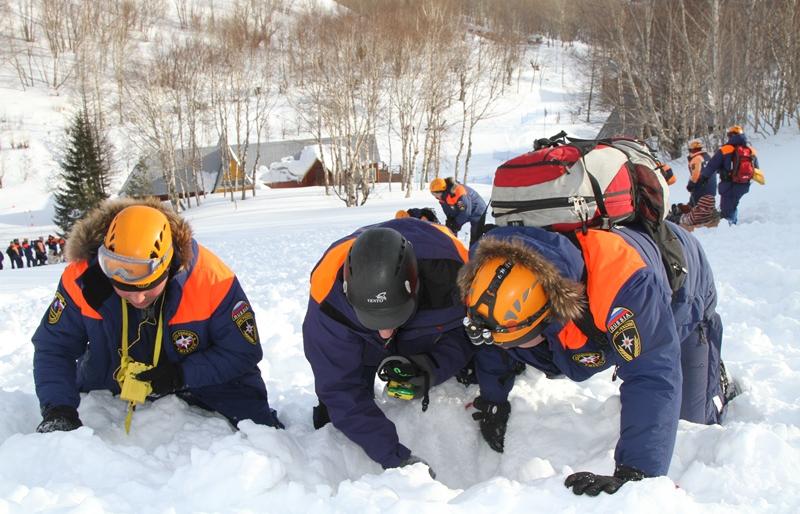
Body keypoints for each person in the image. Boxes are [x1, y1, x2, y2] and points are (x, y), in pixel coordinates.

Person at [458, 222, 735, 496]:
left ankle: (716, 383)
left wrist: (636, 473)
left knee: (691, 426)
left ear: (549, 314)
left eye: (516, 338)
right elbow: (493, 342)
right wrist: (494, 399)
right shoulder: (489, 284)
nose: (506, 346)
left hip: (682, 287)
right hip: (593, 305)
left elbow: (652, 375)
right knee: (551, 352)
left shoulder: (624, 285)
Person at [32, 199, 282, 433]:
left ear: (168, 267)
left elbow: (242, 352)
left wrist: (181, 375)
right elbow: (54, 346)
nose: (138, 298)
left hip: (208, 390)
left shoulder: (212, 279)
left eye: (148, 288)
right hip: (109, 394)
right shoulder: (81, 278)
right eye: (125, 289)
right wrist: (58, 408)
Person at [303, 217, 474, 474]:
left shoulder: (455, 273)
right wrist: (393, 457)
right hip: (355, 333)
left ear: (416, 287)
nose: (385, 333)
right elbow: (339, 386)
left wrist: (432, 366)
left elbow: (471, 335)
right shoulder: (328, 302)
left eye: (394, 318)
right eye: (373, 321)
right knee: (340, 409)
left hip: (428, 316)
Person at [699, 125, 759, 224]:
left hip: (729, 184)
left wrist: (704, 177)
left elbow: (712, 164)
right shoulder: (750, 149)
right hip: (744, 184)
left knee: (727, 210)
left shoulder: (726, 149)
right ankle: (733, 222)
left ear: (731, 136)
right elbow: (756, 168)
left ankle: (730, 227)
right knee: (733, 204)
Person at [673, 139, 718, 231]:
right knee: (705, 206)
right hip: (712, 189)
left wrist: (691, 185)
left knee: (697, 207)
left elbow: (695, 174)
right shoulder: (708, 157)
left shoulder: (696, 159)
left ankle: (682, 217)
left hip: (701, 189)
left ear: (691, 150)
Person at [429, 177, 487, 246]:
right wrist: (450, 221)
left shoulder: (459, 193)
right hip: (464, 209)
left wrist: (456, 223)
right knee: (451, 229)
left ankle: (474, 252)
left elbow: (465, 212)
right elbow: (449, 211)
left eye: (434, 194)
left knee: (476, 235)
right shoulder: (442, 197)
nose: (434, 196)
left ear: (441, 191)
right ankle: (453, 248)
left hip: (478, 210)